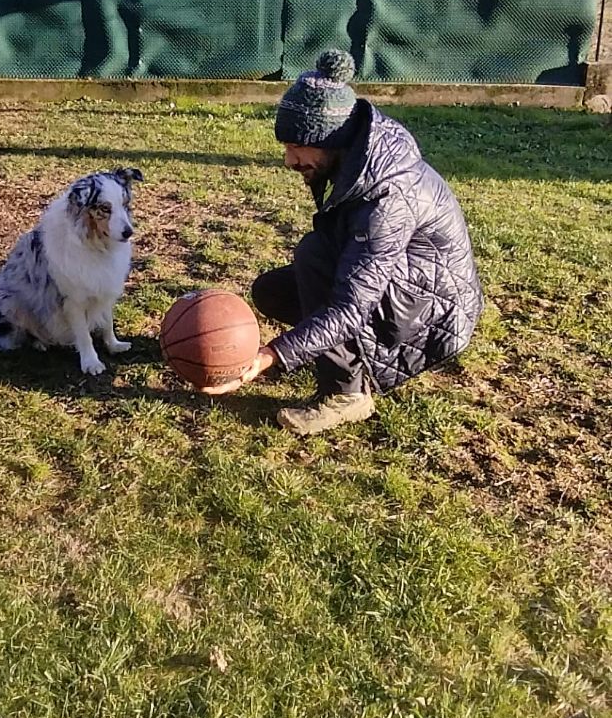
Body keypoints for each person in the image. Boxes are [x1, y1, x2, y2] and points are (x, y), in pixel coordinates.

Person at [201, 48, 484, 436]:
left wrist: (274, 355)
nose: (289, 160)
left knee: (315, 256)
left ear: (327, 138)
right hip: (412, 288)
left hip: (433, 314)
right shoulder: (361, 154)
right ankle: (343, 357)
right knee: (271, 292)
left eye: (297, 147)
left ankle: (346, 394)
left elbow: (352, 307)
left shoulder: (387, 198)